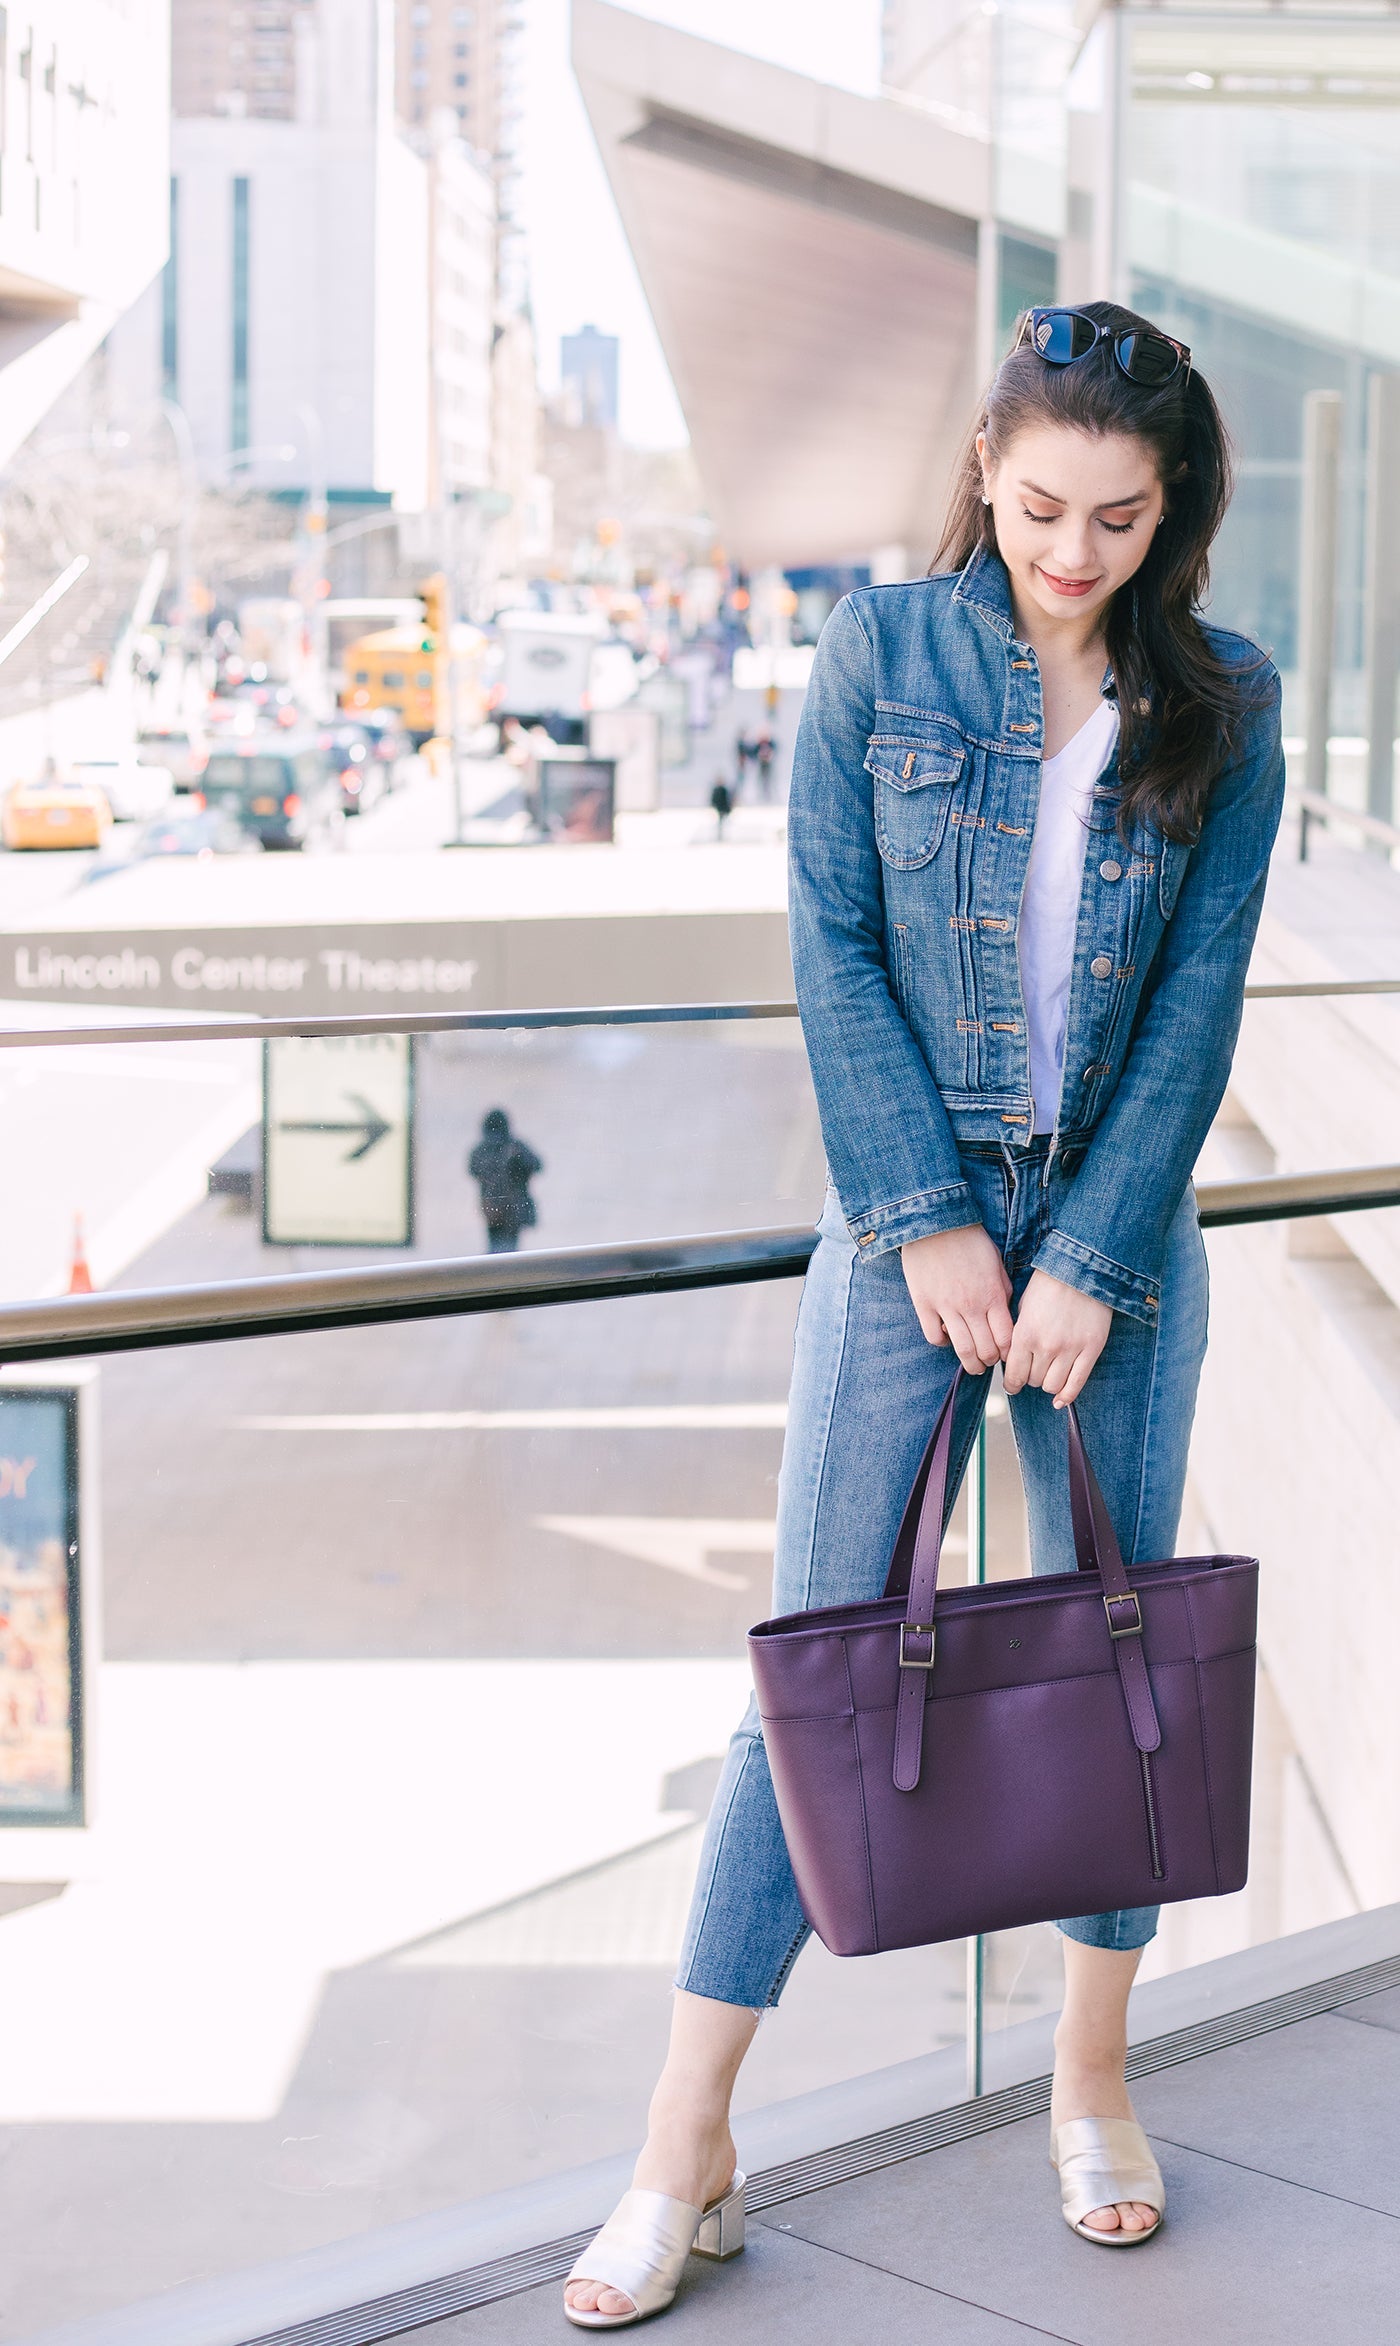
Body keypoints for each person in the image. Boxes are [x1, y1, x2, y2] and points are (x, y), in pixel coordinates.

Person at [564, 300, 1286, 2329]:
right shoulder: (877, 654)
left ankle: (1087, 2075)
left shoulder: (1223, 695)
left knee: (1111, 1654)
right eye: (1046, 507)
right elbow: (835, 945)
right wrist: (926, 1222)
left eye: (1121, 521)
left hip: (1115, 1249)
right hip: (910, 1227)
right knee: (808, 1670)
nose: (1075, 556)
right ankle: (681, 2142)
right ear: (983, 469)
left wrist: (1092, 1254)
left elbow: (1199, 1004)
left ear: (1173, 514)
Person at [467, 1109, 541, 1253]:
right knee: (504, 1248)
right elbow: (536, 1165)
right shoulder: (512, 1146)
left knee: (500, 1247)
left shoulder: (483, 1150)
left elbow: (535, 1165)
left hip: (501, 1207)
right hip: (505, 1207)